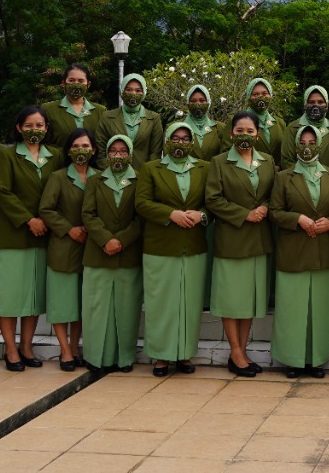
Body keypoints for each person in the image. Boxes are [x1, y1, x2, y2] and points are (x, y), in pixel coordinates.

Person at [0, 106, 62, 371]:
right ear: (19, 128)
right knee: (8, 295)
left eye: (40, 125)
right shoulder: (6, 156)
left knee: (33, 295)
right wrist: (29, 220)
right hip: (13, 234)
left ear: (47, 128)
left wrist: (44, 221)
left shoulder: (55, 156)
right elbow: (3, 192)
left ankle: (26, 346)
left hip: (44, 236)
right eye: (29, 125)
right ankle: (10, 349)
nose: (35, 130)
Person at [205, 111, 277, 377]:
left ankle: (242, 351)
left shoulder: (268, 161)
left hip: (259, 239)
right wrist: (244, 214)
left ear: (257, 134)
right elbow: (213, 199)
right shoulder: (219, 162)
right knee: (230, 299)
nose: (244, 135)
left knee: (249, 300)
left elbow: (275, 195)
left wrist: (265, 208)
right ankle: (235, 352)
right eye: (240, 130)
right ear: (231, 133)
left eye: (250, 131)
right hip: (232, 238)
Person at [135, 122, 210, 376]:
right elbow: (142, 203)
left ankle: (185, 355)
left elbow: (213, 202)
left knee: (189, 303)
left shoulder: (204, 168)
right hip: (161, 246)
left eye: (185, 138)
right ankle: (160, 356)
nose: (180, 143)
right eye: (175, 138)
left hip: (193, 245)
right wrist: (171, 214)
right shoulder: (151, 168)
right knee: (161, 303)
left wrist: (201, 215)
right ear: (167, 141)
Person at [270, 126, 329, 378]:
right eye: (302, 142)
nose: (307, 146)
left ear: (320, 145)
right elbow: (275, 212)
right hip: (294, 249)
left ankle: (316, 359)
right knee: (293, 307)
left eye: (312, 141)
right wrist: (297, 218)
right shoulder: (284, 177)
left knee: (319, 308)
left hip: (323, 250)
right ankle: (292, 359)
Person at [80, 135, 143, 373]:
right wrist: (106, 239)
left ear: (130, 154)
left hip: (128, 254)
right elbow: (88, 214)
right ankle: (95, 358)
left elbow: (141, 216)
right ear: (107, 154)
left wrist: (122, 240)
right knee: (96, 309)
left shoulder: (139, 179)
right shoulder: (95, 180)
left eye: (123, 151)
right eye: (113, 151)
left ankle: (124, 358)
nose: (118, 155)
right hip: (99, 253)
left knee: (126, 309)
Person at [39, 128, 95, 370]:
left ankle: (75, 346)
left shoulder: (100, 177)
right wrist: (69, 229)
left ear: (93, 150)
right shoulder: (59, 177)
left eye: (85, 146)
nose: (80, 151)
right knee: (63, 303)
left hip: (90, 249)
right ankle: (64, 351)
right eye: (76, 146)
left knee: (81, 304)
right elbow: (47, 209)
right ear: (68, 150)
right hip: (63, 246)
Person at [97, 73, 163, 169]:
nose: (133, 93)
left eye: (138, 90)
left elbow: (156, 152)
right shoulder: (107, 117)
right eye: (128, 89)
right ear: (122, 91)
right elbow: (100, 151)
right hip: (113, 175)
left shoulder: (154, 118)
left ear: (144, 93)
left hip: (143, 176)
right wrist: (111, 172)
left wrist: (147, 174)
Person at [41, 63, 103, 148]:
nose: (76, 84)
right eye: (71, 80)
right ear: (63, 83)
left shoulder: (100, 111)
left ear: (88, 84)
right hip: (59, 160)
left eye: (81, 81)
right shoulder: (48, 109)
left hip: (92, 161)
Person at [280, 86, 329, 169]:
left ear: (327, 105)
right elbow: (287, 160)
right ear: (305, 104)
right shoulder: (293, 128)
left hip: (328, 180)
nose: (316, 105)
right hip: (298, 179)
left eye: (320, 102)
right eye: (311, 102)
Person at [233, 77, 286, 162]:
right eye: (255, 94)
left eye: (264, 94)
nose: (260, 98)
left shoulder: (279, 123)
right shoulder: (237, 120)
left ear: (270, 95)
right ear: (248, 97)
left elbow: (285, 152)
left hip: (276, 173)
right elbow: (228, 151)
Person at [183, 84, 224, 160]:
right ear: (188, 103)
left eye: (202, 101)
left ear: (208, 102)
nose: (198, 104)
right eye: (193, 101)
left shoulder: (220, 128)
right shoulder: (175, 127)